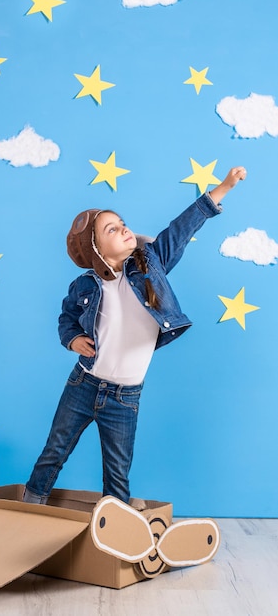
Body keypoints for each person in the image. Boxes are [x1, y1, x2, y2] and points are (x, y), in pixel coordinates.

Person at [23, 166, 247, 505]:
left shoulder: (151, 265)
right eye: (112, 229)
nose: (125, 229)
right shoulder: (86, 284)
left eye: (122, 223)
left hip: (125, 397)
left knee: (117, 468)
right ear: (97, 249)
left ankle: (116, 523)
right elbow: (67, 317)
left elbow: (183, 227)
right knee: (55, 448)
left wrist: (225, 186)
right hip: (83, 384)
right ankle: (30, 503)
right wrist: (71, 339)